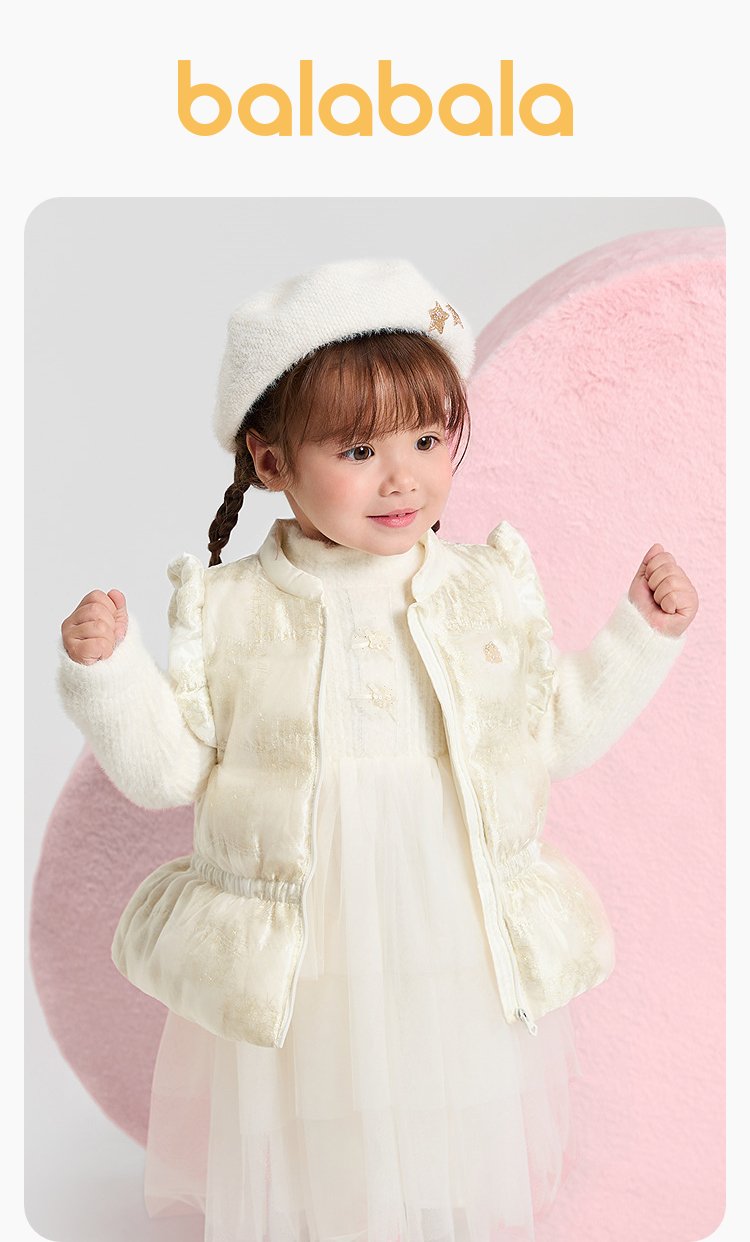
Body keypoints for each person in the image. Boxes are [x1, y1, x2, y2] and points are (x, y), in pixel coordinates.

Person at [58, 259, 698, 1242]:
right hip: (307, 927)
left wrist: (640, 635)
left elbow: (549, 738)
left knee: (441, 1089)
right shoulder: (236, 610)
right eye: (358, 449)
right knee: (322, 1098)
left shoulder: (481, 587)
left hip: (448, 919)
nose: (404, 477)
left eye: (428, 439)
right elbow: (168, 773)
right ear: (272, 463)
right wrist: (108, 677)